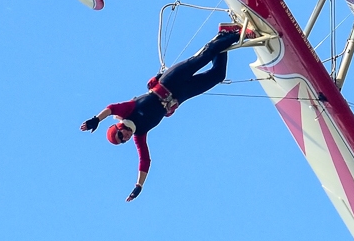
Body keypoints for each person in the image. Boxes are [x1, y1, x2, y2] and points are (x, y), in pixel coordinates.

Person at [81, 23, 244, 200]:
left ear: (118, 128)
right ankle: (225, 33)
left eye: (121, 136)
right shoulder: (140, 133)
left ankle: (239, 34)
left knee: (204, 56)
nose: (125, 138)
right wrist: (138, 186)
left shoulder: (128, 112)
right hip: (181, 95)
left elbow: (111, 108)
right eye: (123, 142)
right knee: (217, 75)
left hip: (170, 81)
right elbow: (145, 160)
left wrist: (96, 119)